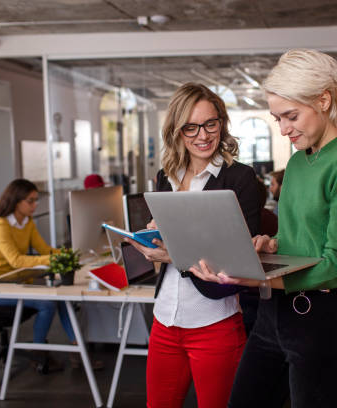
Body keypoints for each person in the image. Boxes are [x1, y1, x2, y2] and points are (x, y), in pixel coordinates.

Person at [190, 49, 337, 407]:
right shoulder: (297, 162)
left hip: (320, 321)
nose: (283, 129)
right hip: (272, 315)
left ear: (323, 100)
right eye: (277, 118)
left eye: (290, 116)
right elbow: (299, 238)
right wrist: (272, 243)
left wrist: (257, 278)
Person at [127, 83, 260, 408]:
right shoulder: (165, 176)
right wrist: (154, 239)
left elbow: (240, 260)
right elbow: (173, 240)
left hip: (213, 321)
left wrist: (173, 254)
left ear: (221, 123)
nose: (203, 135)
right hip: (165, 320)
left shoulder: (240, 179)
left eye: (210, 123)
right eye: (191, 127)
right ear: (177, 131)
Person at [0, 178, 103, 370]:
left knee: (63, 297)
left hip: (17, 280)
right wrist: (55, 261)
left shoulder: (27, 222)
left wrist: (72, 254)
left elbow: (44, 249)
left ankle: (78, 352)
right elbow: (16, 261)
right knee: (46, 303)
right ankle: (39, 354)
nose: (35, 205)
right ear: (15, 201)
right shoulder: (0, 225)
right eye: (31, 201)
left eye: (36, 200)